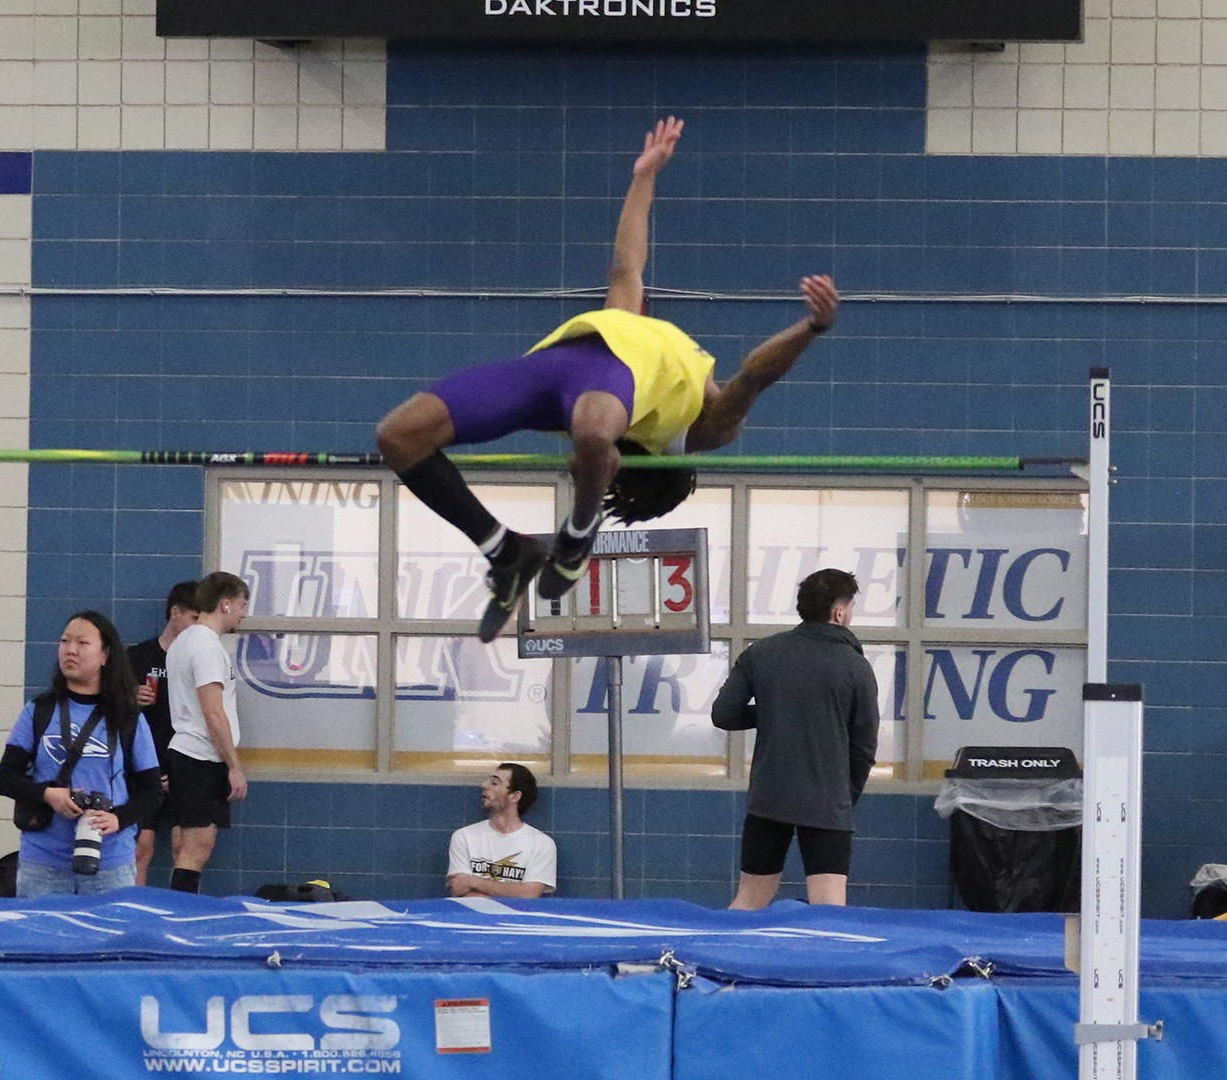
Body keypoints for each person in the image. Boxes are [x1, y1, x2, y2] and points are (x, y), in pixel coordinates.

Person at [375, 116, 841, 642]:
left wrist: (812, 328)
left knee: (595, 430)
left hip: (581, 397)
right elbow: (627, 268)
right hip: (550, 376)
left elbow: (755, 375)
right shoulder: (642, 357)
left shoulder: (699, 431)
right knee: (399, 434)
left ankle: (575, 539)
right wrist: (644, 177)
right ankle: (506, 551)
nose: (717, 381)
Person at [711, 569, 879, 909]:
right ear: (839, 612)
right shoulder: (855, 666)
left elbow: (724, 714)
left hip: (769, 798)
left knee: (748, 902)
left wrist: (775, 712)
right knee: (828, 908)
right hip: (827, 801)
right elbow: (864, 746)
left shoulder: (762, 652)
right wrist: (845, 796)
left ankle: (719, 960)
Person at [0, 611, 162, 896]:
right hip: (43, 864)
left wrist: (118, 818)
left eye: (83, 643)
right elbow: (5, 778)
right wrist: (48, 794)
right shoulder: (39, 710)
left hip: (110, 864)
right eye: (64, 641)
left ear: (104, 656)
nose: (70, 650)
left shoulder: (127, 717)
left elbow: (152, 790)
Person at [163, 571, 252, 894]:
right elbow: (213, 712)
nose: (244, 613)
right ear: (225, 604)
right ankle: (182, 916)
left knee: (184, 844)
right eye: (243, 605)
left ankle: (180, 908)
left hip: (185, 752)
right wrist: (234, 766)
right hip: (200, 755)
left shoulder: (182, 642)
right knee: (197, 847)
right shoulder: (207, 647)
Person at [127, 581, 204, 885]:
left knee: (183, 848)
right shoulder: (138, 657)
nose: (200, 627)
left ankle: (178, 915)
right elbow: (109, 709)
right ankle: (135, 913)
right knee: (140, 849)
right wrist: (130, 697)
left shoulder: (200, 658)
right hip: (146, 761)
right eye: (195, 618)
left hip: (184, 761)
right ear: (176, 613)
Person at [446, 763, 557, 899]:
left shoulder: (541, 844)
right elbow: (458, 889)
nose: (484, 785)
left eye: (494, 783)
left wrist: (473, 881)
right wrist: (511, 893)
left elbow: (530, 894)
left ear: (514, 796)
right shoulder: (464, 837)